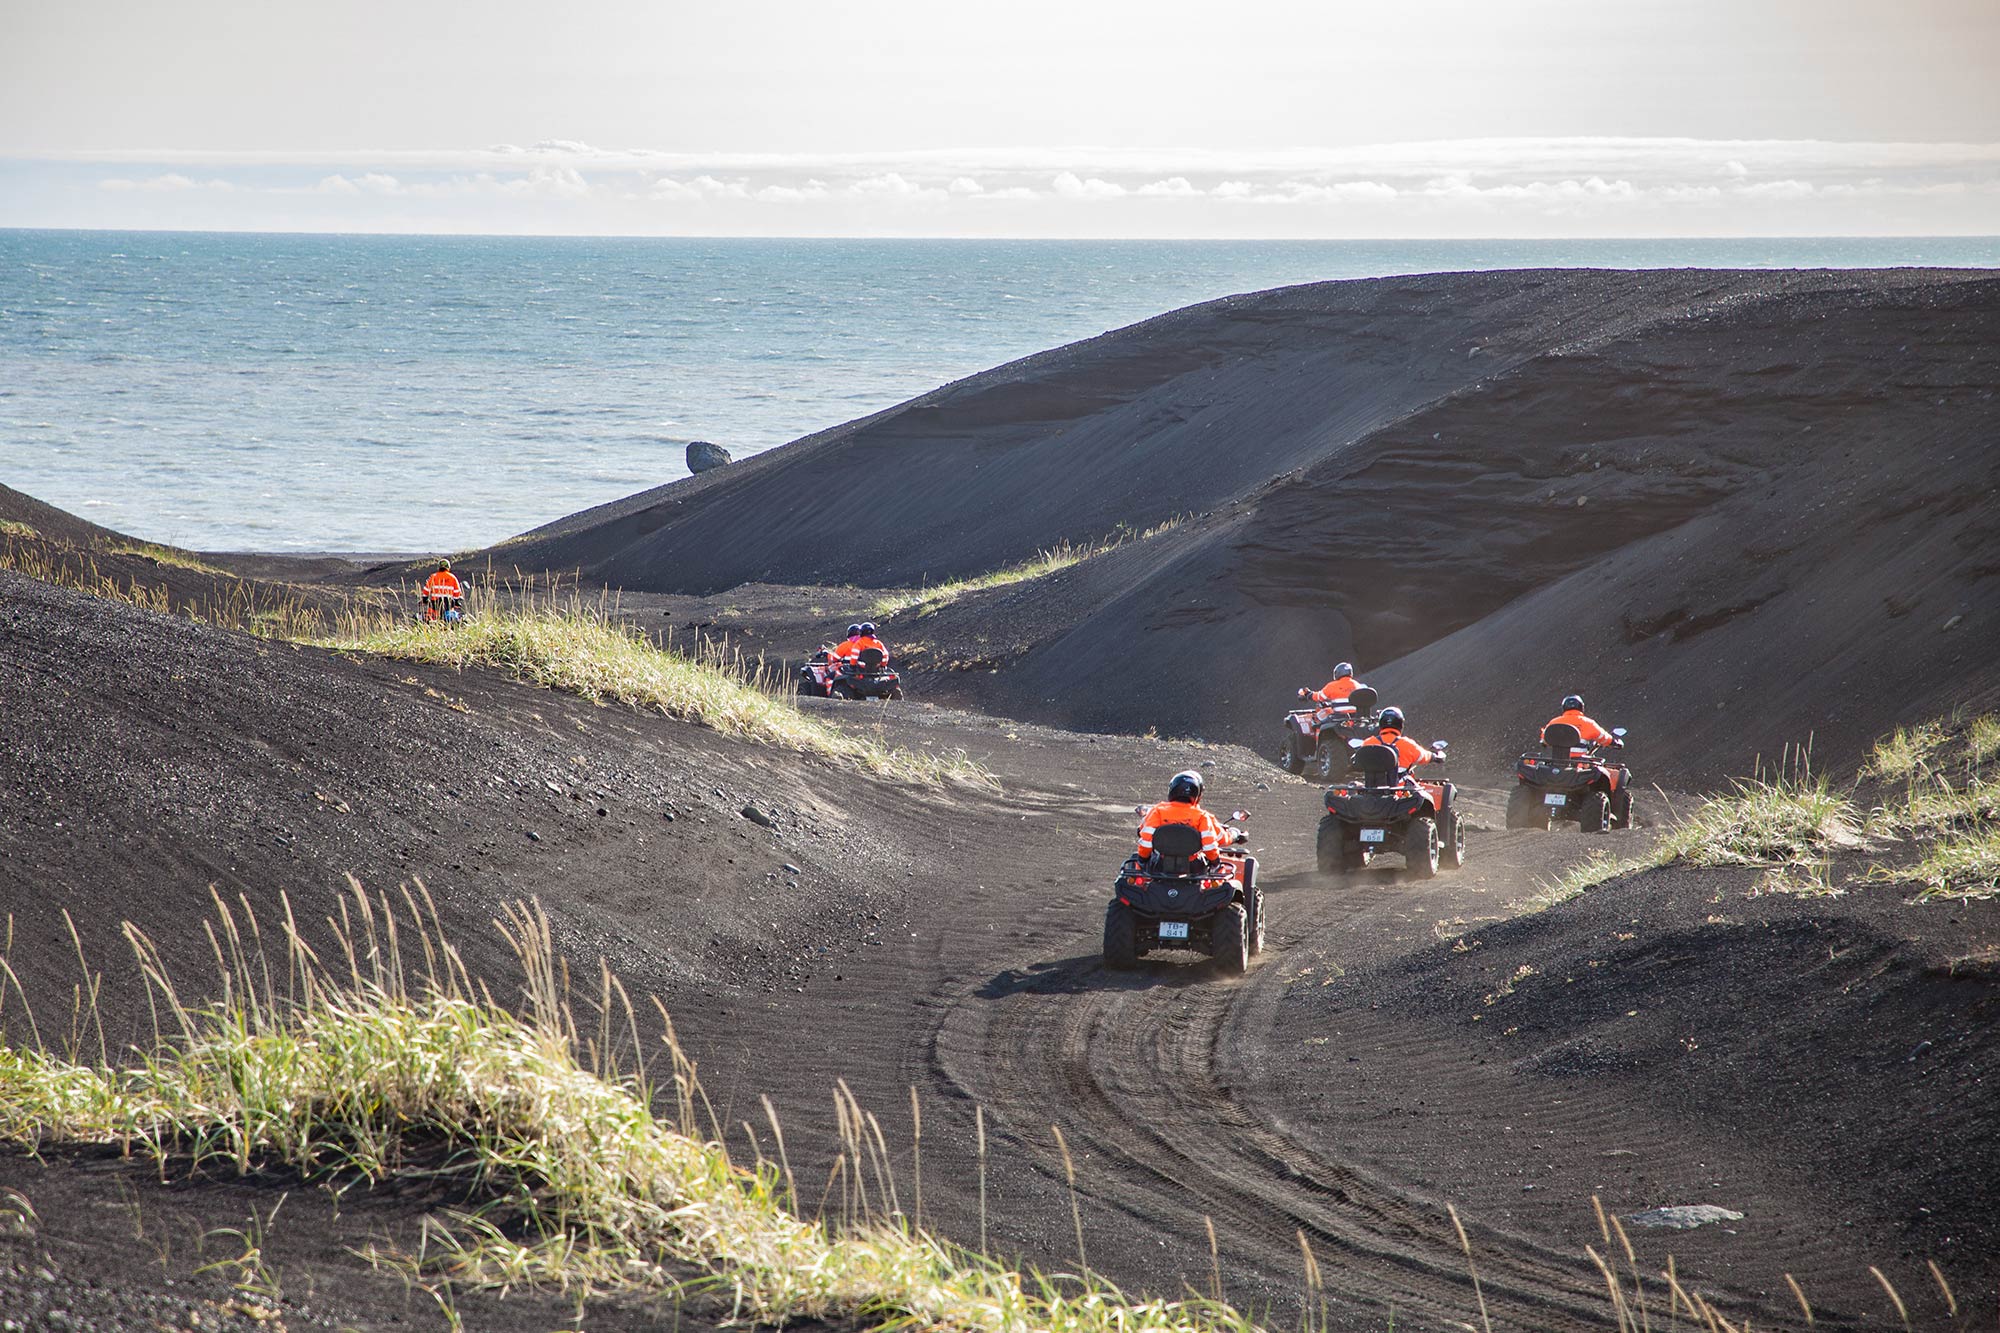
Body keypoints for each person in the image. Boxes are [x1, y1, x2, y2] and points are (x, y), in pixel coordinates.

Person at [1134, 769, 1235, 862]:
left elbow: (1145, 837)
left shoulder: (1158, 811)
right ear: (1197, 794)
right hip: (1193, 868)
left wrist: (1142, 859)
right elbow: (1212, 844)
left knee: (1134, 868)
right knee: (1218, 873)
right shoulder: (1202, 816)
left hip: (1160, 865)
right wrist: (1234, 836)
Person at [1361, 706, 1439, 770]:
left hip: (1373, 787)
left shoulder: (1368, 743)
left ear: (1381, 723)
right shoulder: (1407, 744)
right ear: (1401, 724)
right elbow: (1424, 756)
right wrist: (1435, 756)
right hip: (1400, 787)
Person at [1541, 695, 1614, 747]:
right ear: (1581, 707)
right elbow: (1603, 737)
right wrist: (1613, 742)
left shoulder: (1554, 722)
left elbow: (1544, 739)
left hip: (1557, 762)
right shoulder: (1588, 723)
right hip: (1580, 763)